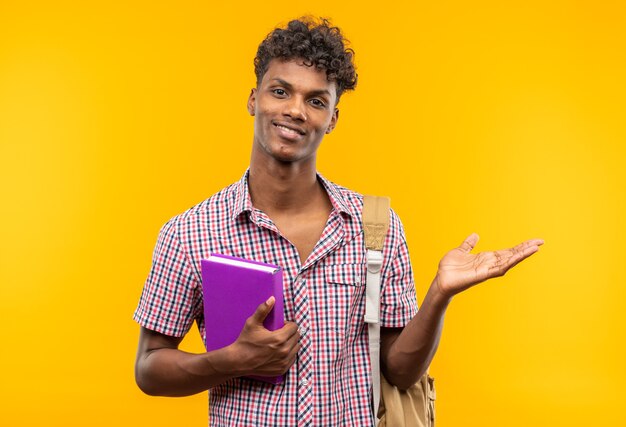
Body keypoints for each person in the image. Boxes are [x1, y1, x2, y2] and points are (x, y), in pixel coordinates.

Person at [133, 17, 543, 426]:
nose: (295, 110)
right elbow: (149, 369)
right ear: (253, 99)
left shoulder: (374, 225)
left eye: (316, 100)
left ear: (332, 118)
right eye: (280, 92)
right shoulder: (189, 232)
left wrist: (439, 295)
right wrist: (230, 361)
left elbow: (400, 370)